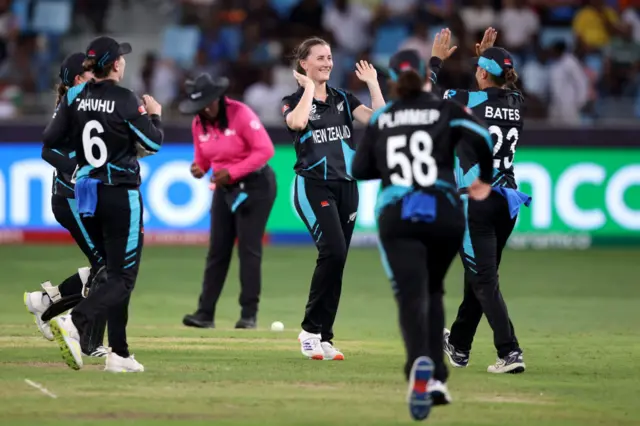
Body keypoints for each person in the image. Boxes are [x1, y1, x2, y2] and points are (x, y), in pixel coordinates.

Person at [352, 49, 494, 422]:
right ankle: (438, 380)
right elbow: (482, 137)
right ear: (423, 76)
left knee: (409, 296)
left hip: (398, 213)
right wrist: (486, 179)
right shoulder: (445, 111)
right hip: (444, 211)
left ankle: (419, 365)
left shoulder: (384, 118)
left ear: (394, 80)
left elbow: (360, 169)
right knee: (433, 290)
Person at [42, 36, 164, 373]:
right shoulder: (124, 98)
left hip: (86, 191)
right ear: (114, 65)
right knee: (122, 277)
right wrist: (155, 116)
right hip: (120, 191)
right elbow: (153, 142)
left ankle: (120, 353)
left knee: (109, 271)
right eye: (121, 58)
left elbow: (51, 140)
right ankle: (74, 322)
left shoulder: (75, 97)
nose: (124, 62)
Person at [430, 28, 531, 374]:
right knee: (480, 275)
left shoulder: (470, 101)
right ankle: (458, 344)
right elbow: (491, 98)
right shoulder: (517, 102)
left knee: (484, 280)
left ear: (484, 73)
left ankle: (510, 351)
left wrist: (436, 62)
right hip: (508, 201)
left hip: (475, 203)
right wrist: (491, 58)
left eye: (479, 67)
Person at [281, 37, 385, 360]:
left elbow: (382, 121)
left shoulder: (343, 97)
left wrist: (373, 84)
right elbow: (297, 122)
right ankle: (310, 330)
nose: (327, 62)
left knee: (338, 261)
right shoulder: (292, 100)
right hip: (312, 187)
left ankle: (325, 336)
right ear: (304, 64)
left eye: (329, 57)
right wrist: (309, 90)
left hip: (347, 187)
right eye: (320, 58)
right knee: (334, 251)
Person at [24, 52, 108, 358]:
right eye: (90, 73)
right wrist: (76, 169)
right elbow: (49, 150)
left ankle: (46, 301)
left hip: (87, 199)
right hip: (71, 199)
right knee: (108, 268)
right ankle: (80, 331)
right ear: (78, 79)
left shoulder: (92, 105)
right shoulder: (71, 107)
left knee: (107, 266)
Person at [180, 73, 276, 330]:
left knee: (249, 249)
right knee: (217, 250)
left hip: (256, 187)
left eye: (210, 102)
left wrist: (233, 172)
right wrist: (199, 168)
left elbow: (265, 151)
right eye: (202, 105)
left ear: (219, 98)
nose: (207, 108)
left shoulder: (241, 114)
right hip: (225, 189)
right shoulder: (198, 123)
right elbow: (203, 158)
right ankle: (205, 313)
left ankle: (248, 314)